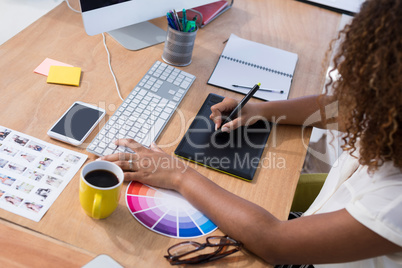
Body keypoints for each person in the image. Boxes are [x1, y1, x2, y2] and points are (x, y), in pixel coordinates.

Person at [101, 0, 402, 266]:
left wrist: (179, 175)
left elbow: (275, 243)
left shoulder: (394, 204)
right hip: (325, 213)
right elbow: (340, 107)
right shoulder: (389, 115)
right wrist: (260, 111)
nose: (354, 95)